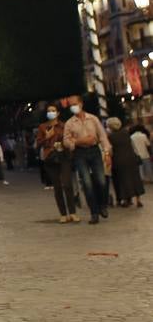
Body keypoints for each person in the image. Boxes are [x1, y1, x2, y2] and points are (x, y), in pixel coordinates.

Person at [63, 95, 111, 225]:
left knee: (101, 180)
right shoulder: (69, 123)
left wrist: (107, 152)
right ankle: (94, 213)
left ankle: (103, 205)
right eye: (70, 105)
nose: (73, 107)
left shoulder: (93, 119)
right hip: (80, 153)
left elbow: (102, 136)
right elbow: (66, 142)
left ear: (81, 104)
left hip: (94, 151)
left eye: (75, 104)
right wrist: (79, 141)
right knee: (87, 183)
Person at [36, 103, 78, 223]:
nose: (51, 113)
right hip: (50, 157)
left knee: (67, 184)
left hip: (64, 156)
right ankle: (63, 214)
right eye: (49, 111)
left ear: (58, 113)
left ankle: (73, 212)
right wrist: (47, 137)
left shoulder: (64, 126)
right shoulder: (42, 127)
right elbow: (38, 144)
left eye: (53, 110)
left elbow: (70, 138)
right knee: (57, 187)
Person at [107, 118, 145, 208]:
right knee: (135, 179)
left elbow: (110, 150)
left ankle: (126, 200)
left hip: (119, 160)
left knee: (123, 180)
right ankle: (138, 200)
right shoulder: (126, 133)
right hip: (131, 158)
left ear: (110, 126)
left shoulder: (111, 136)